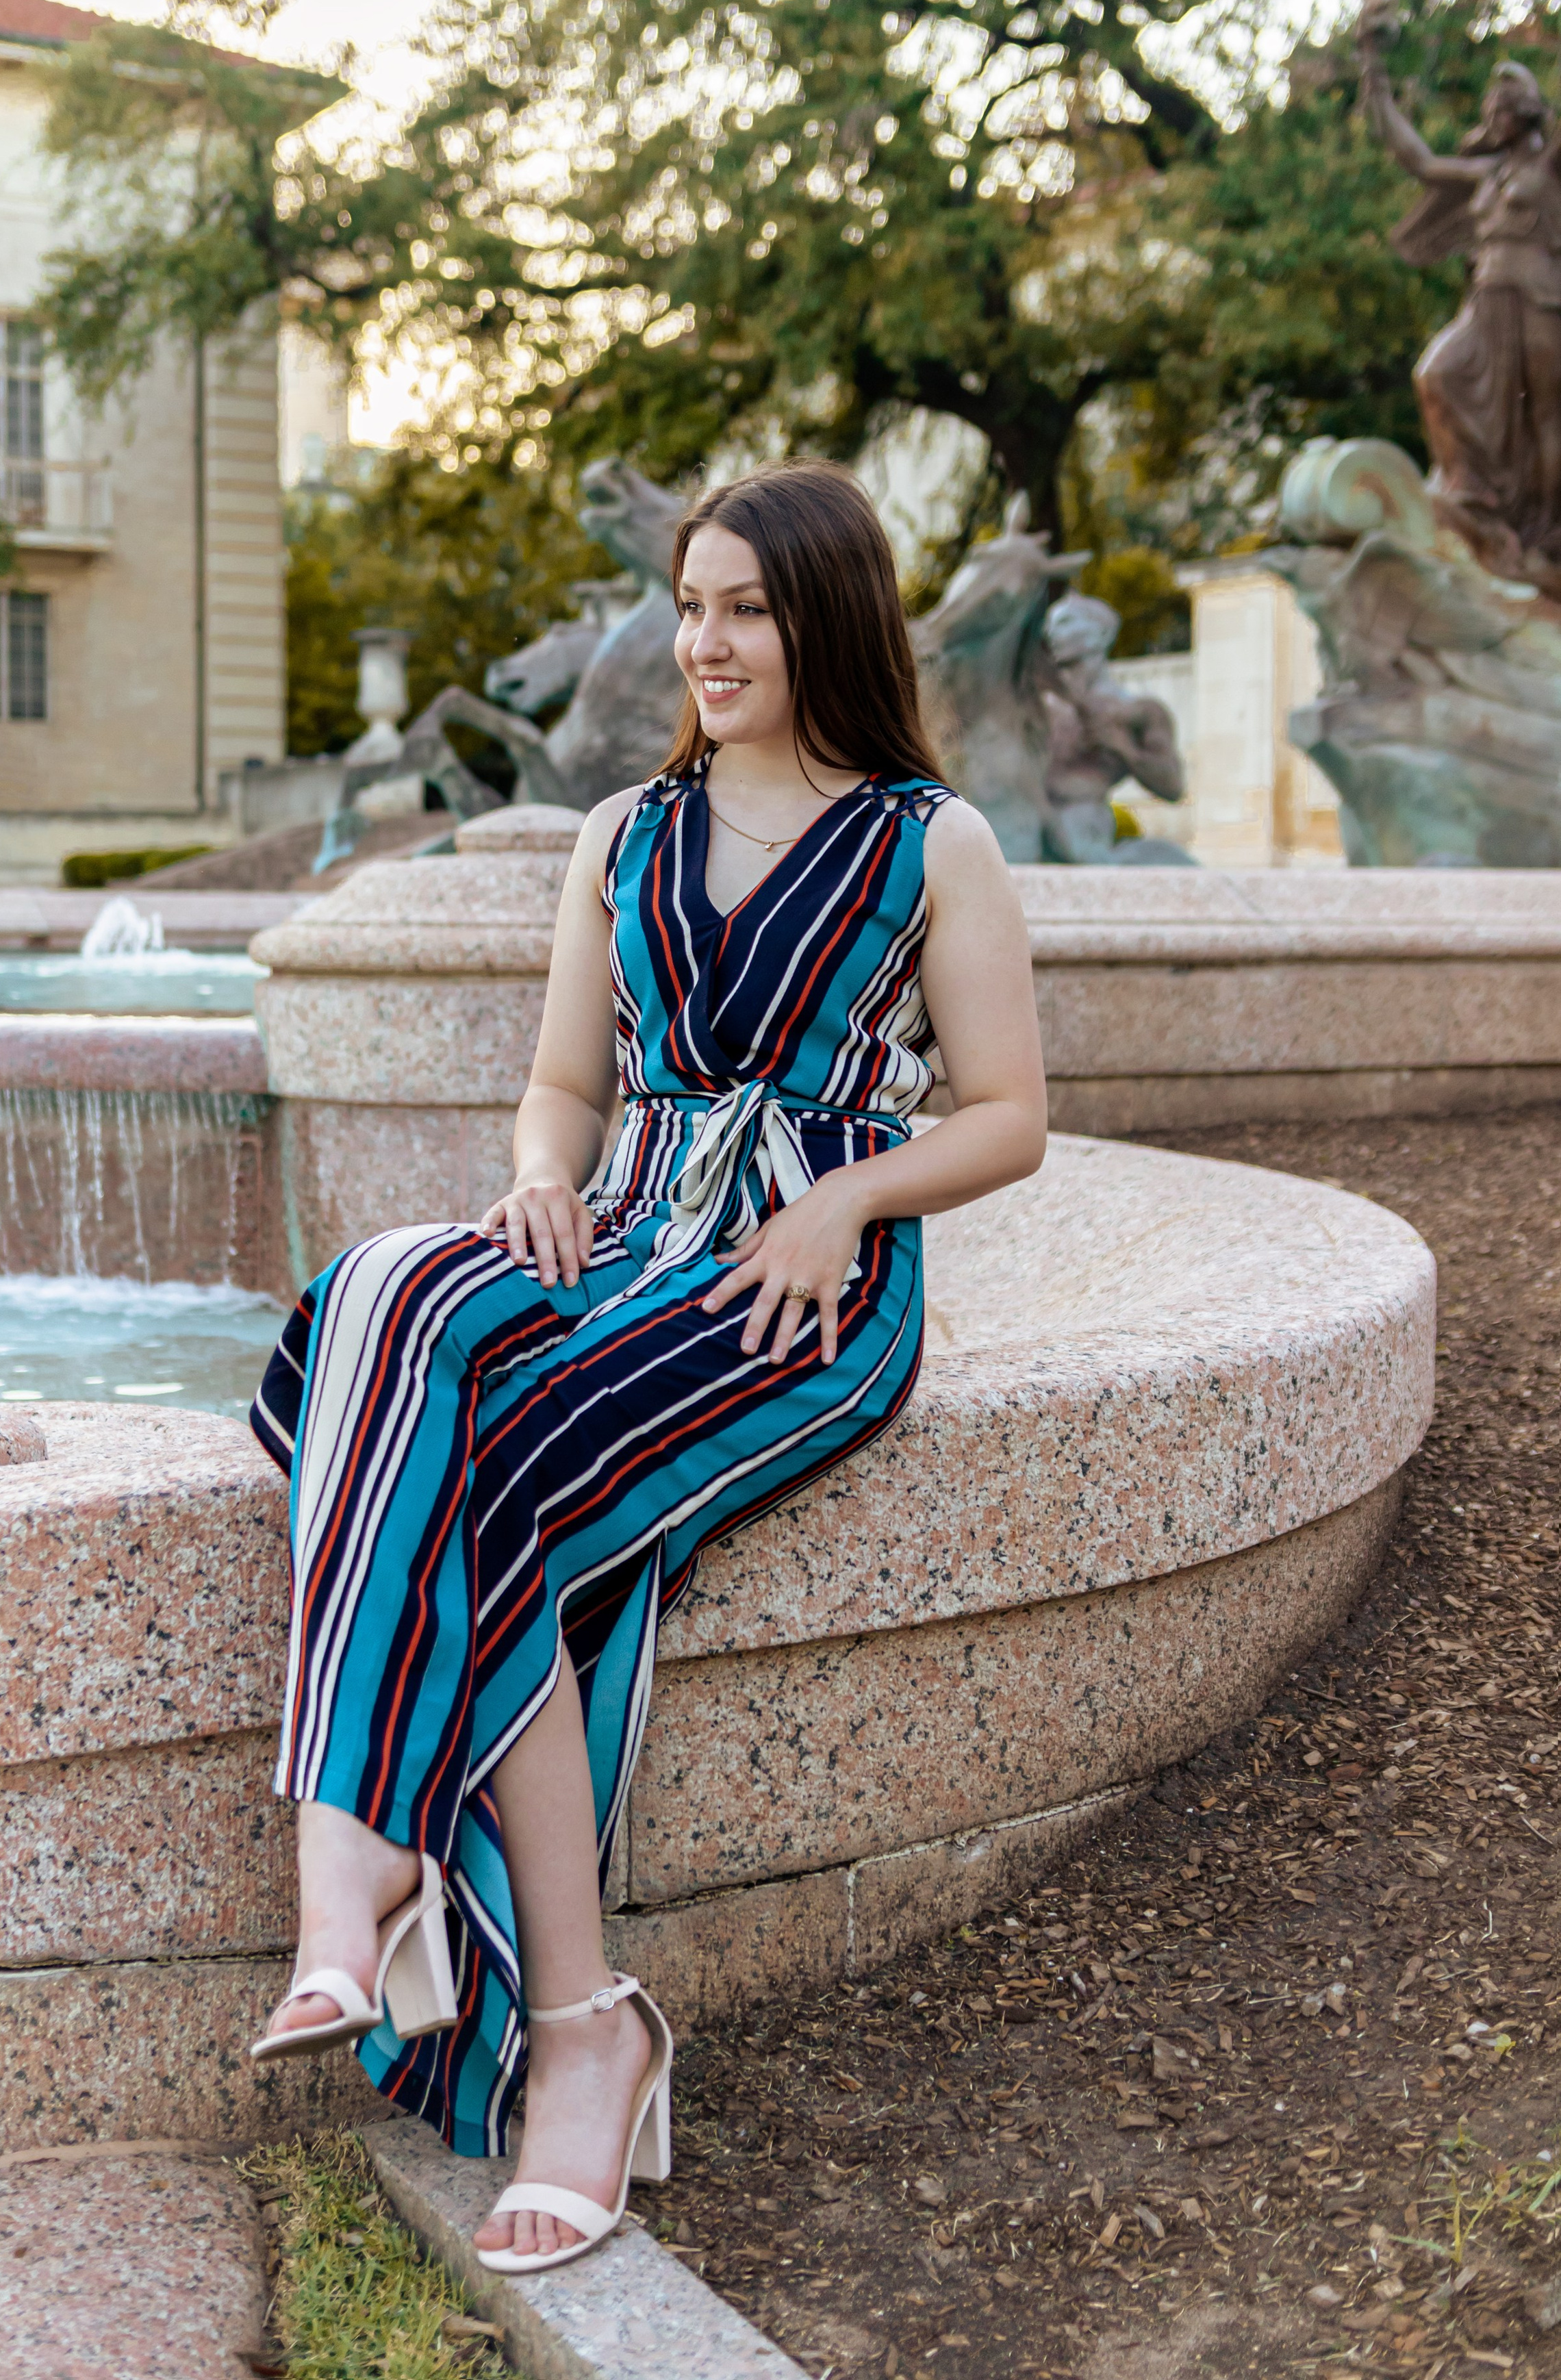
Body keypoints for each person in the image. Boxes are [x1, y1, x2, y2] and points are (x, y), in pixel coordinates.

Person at [244, 459, 1048, 2273]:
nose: (702, 640)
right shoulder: (621, 834)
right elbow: (563, 1086)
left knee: (496, 1463)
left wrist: (847, 1202)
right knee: (378, 1294)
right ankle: (380, 1871)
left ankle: (542, 2000)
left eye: (744, 607)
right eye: (691, 604)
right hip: (618, 1233)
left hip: (795, 1288)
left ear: (828, 616)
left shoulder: (936, 842)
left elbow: (1009, 1120)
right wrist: (538, 1186)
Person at [1361, 42, 1561, 585]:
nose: (1490, 120)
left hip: (1541, 300)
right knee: (1436, 372)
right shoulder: (1488, 171)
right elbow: (1420, 161)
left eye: (1499, 111)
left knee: (1547, 418)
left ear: (1526, 112)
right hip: (1487, 300)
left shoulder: (1551, 163)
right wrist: (1374, 70)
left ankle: (1550, 536)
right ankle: (1472, 494)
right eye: (1488, 112)